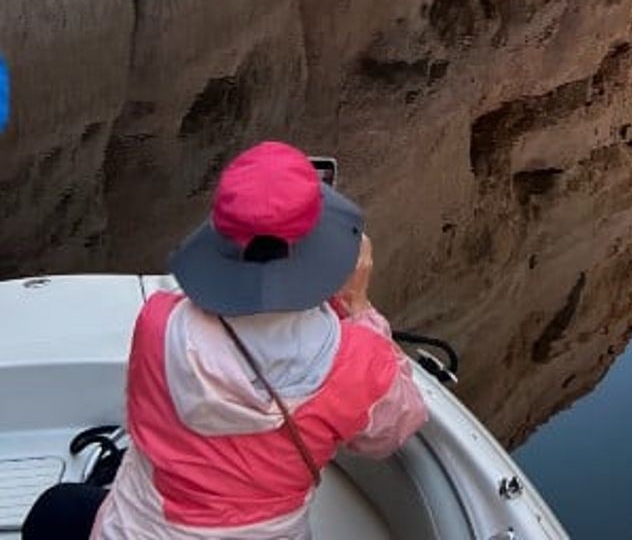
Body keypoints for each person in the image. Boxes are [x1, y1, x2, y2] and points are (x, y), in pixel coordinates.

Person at [24, 141, 428, 539]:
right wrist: (358, 307)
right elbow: (393, 428)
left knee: (57, 510)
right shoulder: (357, 361)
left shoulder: (159, 322)